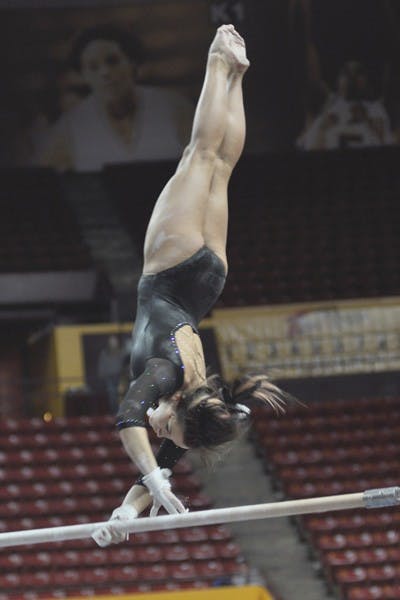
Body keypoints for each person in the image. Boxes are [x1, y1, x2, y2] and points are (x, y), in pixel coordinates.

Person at [92, 24, 287, 547]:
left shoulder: (193, 403)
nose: (161, 436)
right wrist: (155, 477)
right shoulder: (165, 375)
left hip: (207, 280)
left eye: (167, 442)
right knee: (201, 156)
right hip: (171, 268)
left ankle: (237, 77)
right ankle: (217, 61)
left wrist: (127, 513)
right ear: (180, 410)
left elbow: (152, 453)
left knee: (222, 166)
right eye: (168, 432)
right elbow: (129, 416)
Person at [36, 24, 194, 171]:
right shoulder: (72, 126)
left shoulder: (173, 107)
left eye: (113, 61)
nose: (105, 73)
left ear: (132, 63)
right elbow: (42, 180)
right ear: (84, 76)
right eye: (93, 67)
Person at [298, 61, 393, 150]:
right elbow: (309, 146)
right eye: (346, 73)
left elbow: (386, 144)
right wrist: (323, 128)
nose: (352, 78)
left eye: (358, 72)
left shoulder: (376, 108)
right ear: (338, 81)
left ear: (367, 80)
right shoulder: (329, 108)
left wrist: (367, 120)